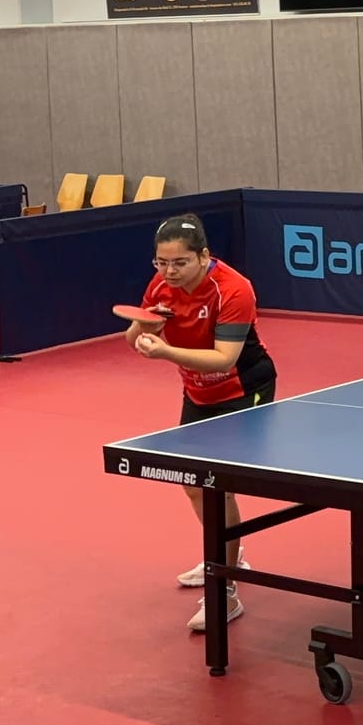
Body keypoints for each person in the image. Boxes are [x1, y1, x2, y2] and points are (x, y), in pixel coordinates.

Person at [126, 214, 278, 633]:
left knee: (217, 484)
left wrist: (164, 353)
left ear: (204, 256)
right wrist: (144, 330)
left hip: (244, 390)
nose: (168, 272)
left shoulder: (233, 288)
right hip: (197, 392)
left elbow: (224, 358)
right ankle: (230, 554)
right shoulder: (161, 285)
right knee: (193, 483)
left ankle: (225, 589)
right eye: (161, 262)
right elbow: (133, 338)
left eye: (179, 263)